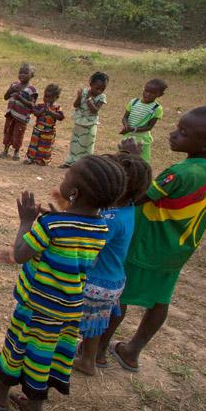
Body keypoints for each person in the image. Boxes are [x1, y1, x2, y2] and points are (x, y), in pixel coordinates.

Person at [0, 155, 125, 411]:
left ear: (74, 192)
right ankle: (35, 410)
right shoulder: (100, 228)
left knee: (18, 346)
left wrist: (26, 222)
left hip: (37, 305)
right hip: (69, 308)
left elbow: (21, 254)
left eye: (67, 176)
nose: (63, 179)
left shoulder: (52, 224)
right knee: (46, 354)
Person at [100, 106, 206, 372]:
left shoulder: (179, 173)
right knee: (160, 300)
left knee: (119, 297)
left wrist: (133, 158)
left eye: (183, 132)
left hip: (147, 245)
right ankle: (132, 352)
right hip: (178, 248)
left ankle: (97, 351)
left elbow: (140, 196)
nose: (173, 134)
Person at [73, 153, 151, 375]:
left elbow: (89, 244)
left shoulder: (110, 219)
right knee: (96, 322)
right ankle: (93, 356)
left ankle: (87, 361)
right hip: (113, 279)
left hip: (97, 281)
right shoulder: (127, 209)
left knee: (86, 321)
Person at [62, 72, 109, 167]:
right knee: (75, 142)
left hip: (90, 124)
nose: (99, 91)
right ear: (91, 84)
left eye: (102, 89)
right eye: (97, 88)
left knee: (87, 144)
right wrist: (79, 97)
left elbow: (95, 110)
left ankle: (83, 165)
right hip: (79, 121)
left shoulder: (101, 97)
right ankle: (71, 162)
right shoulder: (83, 92)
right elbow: (75, 105)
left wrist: (89, 100)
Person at [120, 79, 168, 163]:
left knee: (141, 162)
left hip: (142, 140)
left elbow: (149, 127)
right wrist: (126, 125)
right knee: (124, 160)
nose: (148, 94)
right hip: (128, 137)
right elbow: (125, 117)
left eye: (153, 93)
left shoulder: (157, 108)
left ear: (160, 94)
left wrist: (133, 129)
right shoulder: (133, 102)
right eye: (146, 90)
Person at [0, 64, 37, 160]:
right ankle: (5, 150)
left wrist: (20, 98)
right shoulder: (14, 85)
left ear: (32, 75)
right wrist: (11, 90)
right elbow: (6, 97)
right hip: (10, 114)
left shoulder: (31, 90)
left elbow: (32, 105)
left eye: (25, 73)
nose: (22, 75)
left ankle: (16, 152)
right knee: (8, 131)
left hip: (22, 117)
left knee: (18, 134)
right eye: (20, 72)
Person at [24, 84, 65, 166]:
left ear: (56, 98)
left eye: (50, 97)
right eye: (46, 96)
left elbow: (61, 117)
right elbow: (35, 113)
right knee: (34, 145)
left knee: (45, 146)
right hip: (37, 131)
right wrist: (42, 111)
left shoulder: (57, 108)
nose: (47, 99)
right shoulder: (40, 106)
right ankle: (31, 158)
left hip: (49, 132)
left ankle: (43, 160)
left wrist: (50, 112)